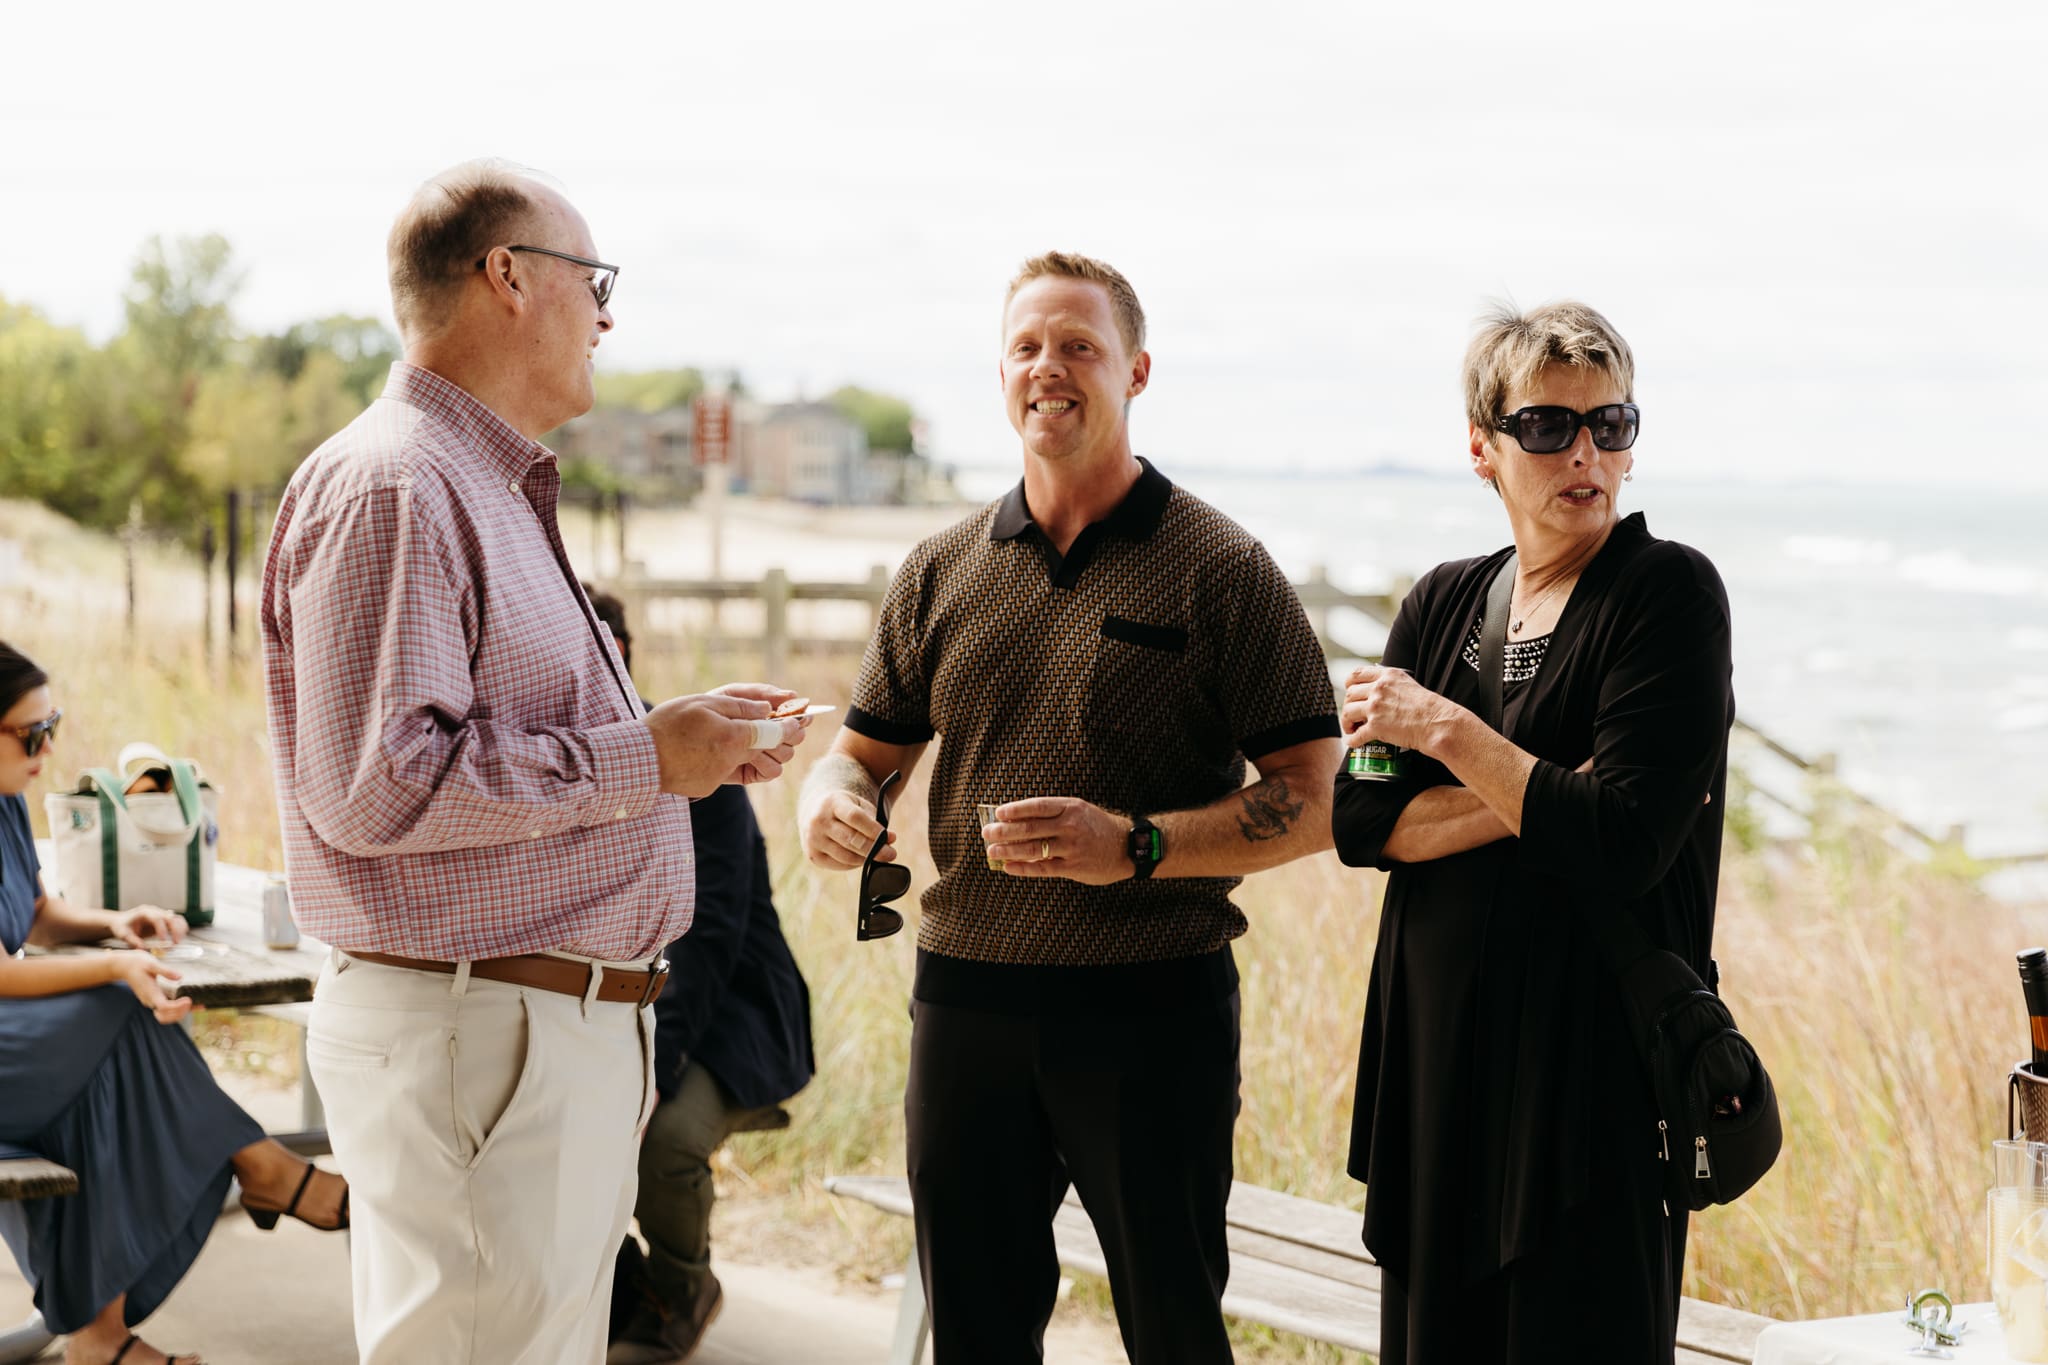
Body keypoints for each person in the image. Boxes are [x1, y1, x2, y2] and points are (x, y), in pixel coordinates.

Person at [259, 159, 811, 1365]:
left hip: (524, 1038)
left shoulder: (474, 483)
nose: (609, 317)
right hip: (483, 1038)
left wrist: (677, 744)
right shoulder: (400, 483)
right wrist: (641, 760)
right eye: (591, 280)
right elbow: (382, 782)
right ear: (506, 278)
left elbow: (493, 741)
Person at [799, 252, 1342, 1364]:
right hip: (965, 1005)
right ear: (1000, 374)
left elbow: (1318, 797)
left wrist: (1133, 845)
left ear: (1135, 370)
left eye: (1079, 346)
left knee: (1173, 1333)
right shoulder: (938, 569)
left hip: (1151, 1013)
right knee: (978, 1336)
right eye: (1027, 346)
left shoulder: (1222, 568)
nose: (1049, 368)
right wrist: (831, 799)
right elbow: (858, 757)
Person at [1333, 301, 1734, 1363]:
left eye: (1611, 424)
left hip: (1590, 1090)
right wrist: (1553, 791)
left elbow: (1622, 848)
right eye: (1548, 428)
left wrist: (1449, 734)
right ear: (1482, 449)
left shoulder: (1666, 595)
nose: (1585, 454)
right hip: (1436, 1080)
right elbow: (1361, 824)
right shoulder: (1440, 603)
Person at [0, 641, 348, 1365]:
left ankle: (99, 1335)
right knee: (121, 1010)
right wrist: (118, 963)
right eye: (31, 734)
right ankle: (263, 1166)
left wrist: (110, 925)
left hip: (18, 1047)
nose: (47, 749)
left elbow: (33, 914)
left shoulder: (6, 799)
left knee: (109, 1081)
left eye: (52, 726)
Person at [578, 587, 817, 1365]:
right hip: (603, 1005)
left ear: (622, 658)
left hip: (722, 1011)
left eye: (601, 657)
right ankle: (614, 1288)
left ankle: (684, 1288)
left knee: (662, 1139)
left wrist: (652, 1071)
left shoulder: (689, 758)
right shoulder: (557, 762)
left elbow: (707, 941)